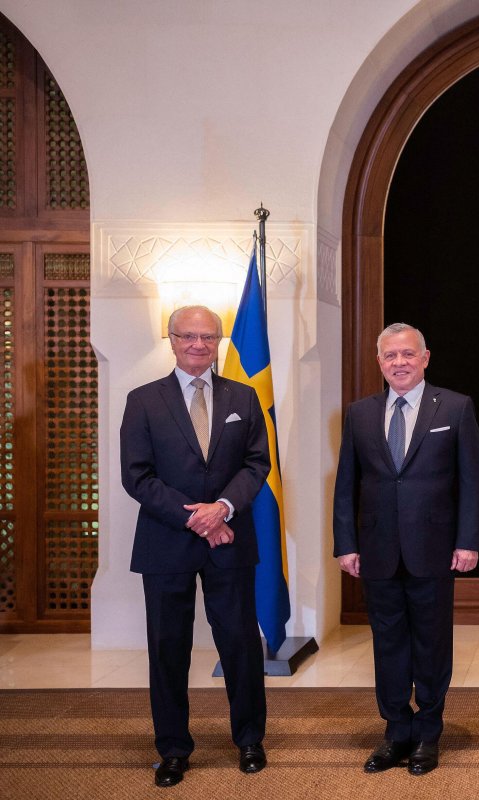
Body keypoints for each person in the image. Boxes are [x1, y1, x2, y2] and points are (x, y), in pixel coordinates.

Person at [120, 305, 271, 788]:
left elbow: (256, 465)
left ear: (219, 342)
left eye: (208, 337)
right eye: (189, 336)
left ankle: (249, 739)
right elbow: (136, 475)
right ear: (171, 339)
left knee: (241, 645)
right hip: (167, 542)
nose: (199, 345)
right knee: (168, 648)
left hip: (230, 539)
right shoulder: (143, 400)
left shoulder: (244, 398)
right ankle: (172, 749)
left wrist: (222, 508)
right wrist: (198, 518)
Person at [333, 322, 479, 776]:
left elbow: (472, 481)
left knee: (432, 643)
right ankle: (397, 730)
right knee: (388, 643)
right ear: (380, 362)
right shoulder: (359, 413)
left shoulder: (456, 407)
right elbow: (346, 485)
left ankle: (428, 732)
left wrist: (467, 540)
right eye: (390, 356)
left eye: (407, 354)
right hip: (377, 550)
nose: (399, 362)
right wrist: (346, 543)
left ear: (425, 358)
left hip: (435, 548)